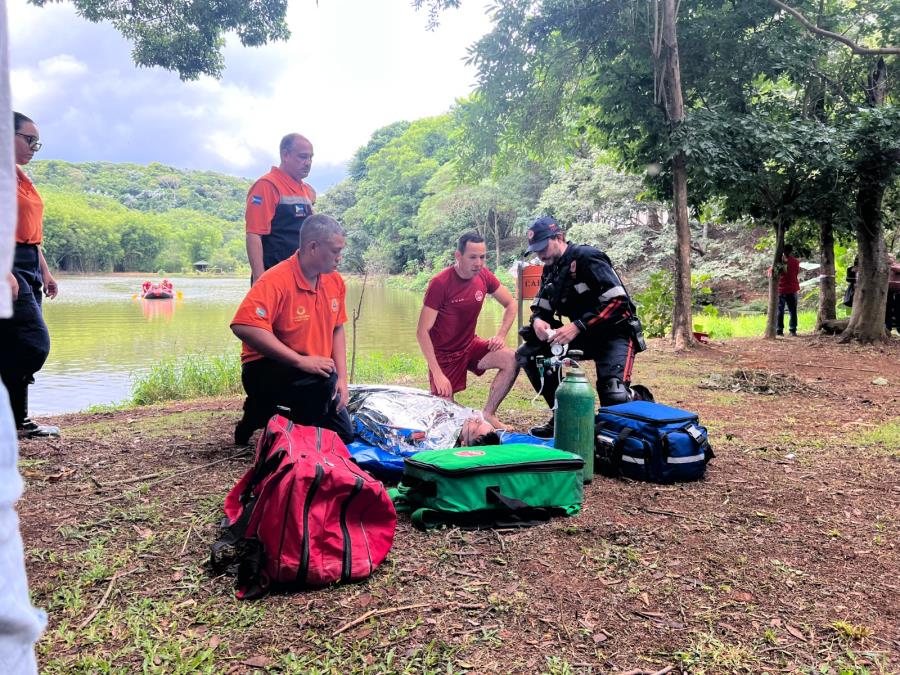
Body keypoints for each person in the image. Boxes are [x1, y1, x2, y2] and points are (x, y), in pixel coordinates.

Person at [515, 217, 650, 439]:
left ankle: (640, 399)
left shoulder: (588, 257)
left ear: (558, 237)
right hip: (583, 335)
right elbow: (542, 307)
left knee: (613, 395)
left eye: (543, 247)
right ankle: (562, 416)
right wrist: (538, 321)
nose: (540, 255)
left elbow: (618, 301)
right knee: (529, 354)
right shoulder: (550, 269)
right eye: (536, 250)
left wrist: (578, 326)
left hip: (615, 333)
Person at [231, 214, 353, 446]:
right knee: (321, 386)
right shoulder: (276, 279)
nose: (340, 258)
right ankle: (263, 411)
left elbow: (338, 328)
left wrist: (344, 380)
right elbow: (243, 326)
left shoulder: (334, 281)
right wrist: (299, 361)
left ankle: (264, 411)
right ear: (313, 247)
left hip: (312, 370)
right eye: (335, 251)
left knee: (344, 436)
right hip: (265, 367)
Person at [416, 232, 518, 429]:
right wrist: (437, 373)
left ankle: (488, 414)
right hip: (443, 356)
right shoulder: (440, 283)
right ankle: (466, 416)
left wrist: (501, 335)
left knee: (512, 359)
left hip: (470, 345)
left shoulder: (484, 276)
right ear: (458, 256)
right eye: (472, 257)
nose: (478, 263)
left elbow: (511, 304)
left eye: (482, 257)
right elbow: (422, 332)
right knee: (448, 419)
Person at [0, 112, 58, 438]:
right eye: (29, 139)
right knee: (34, 345)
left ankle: (17, 422)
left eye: (37, 142)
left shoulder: (21, 177)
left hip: (28, 262)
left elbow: (30, 233)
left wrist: (45, 273)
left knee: (11, 345)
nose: (35, 147)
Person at [245, 133, 316, 285]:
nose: (308, 162)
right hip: (275, 278)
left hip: (301, 278)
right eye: (303, 157)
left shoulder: (306, 190)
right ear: (285, 155)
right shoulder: (267, 186)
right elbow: (254, 234)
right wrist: (259, 279)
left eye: (311, 157)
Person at [774, 244, 801, 336]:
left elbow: (772, 272)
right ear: (791, 251)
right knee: (792, 310)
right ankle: (792, 330)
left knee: (780, 310)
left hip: (781, 289)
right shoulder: (796, 262)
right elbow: (796, 273)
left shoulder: (778, 262)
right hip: (792, 288)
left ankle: (779, 330)